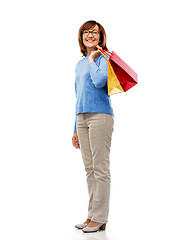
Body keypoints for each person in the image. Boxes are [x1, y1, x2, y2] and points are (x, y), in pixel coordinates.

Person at [72, 20, 114, 233]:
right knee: (90, 169)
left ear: (100, 36)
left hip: (100, 116)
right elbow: (78, 95)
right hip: (82, 118)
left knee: (100, 169)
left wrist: (92, 59)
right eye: (86, 32)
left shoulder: (105, 58)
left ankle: (100, 217)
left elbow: (99, 82)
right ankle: (92, 215)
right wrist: (74, 127)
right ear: (82, 36)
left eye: (94, 32)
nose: (90, 35)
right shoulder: (80, 63)